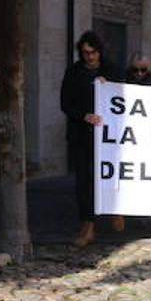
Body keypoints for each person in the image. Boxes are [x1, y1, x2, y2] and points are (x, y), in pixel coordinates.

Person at [60, 31, 110, 248]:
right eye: (85, 53)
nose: (89, 57)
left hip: (108, 139)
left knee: (106, 179)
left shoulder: (111, 70)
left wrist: (108, 86)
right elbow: (65, 104)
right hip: (81, 135)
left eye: (93, 53)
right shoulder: (73, 72)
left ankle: (112, 212)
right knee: (84, 182)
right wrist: (83, 115)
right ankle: (87, 224)